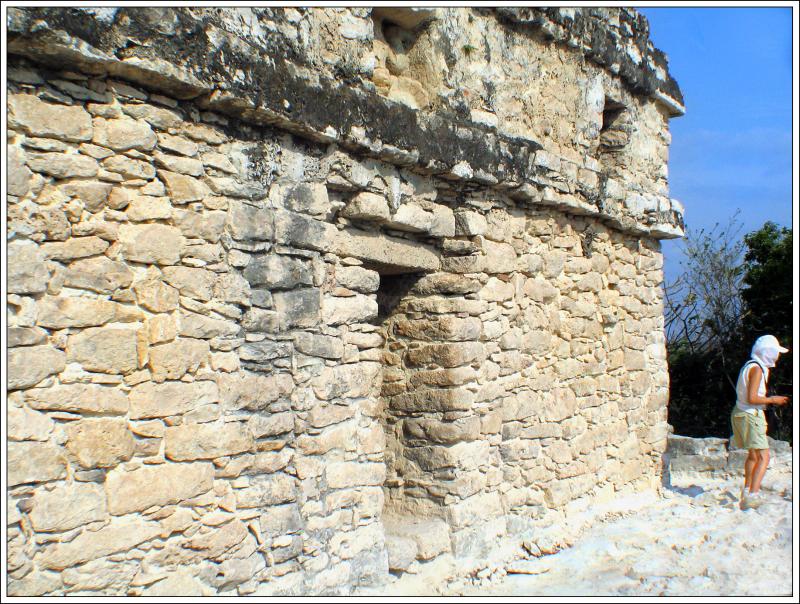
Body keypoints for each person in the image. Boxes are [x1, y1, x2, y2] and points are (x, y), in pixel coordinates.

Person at [731, 335, 790, 510]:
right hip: (751, 415)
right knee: (764, 457)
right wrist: (773, 400)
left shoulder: (748, 365)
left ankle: (747, 489)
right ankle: (753, 495)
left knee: (753, 455)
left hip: (740, 413)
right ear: (767, 353)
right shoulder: (757, 369)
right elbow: (752, 398)